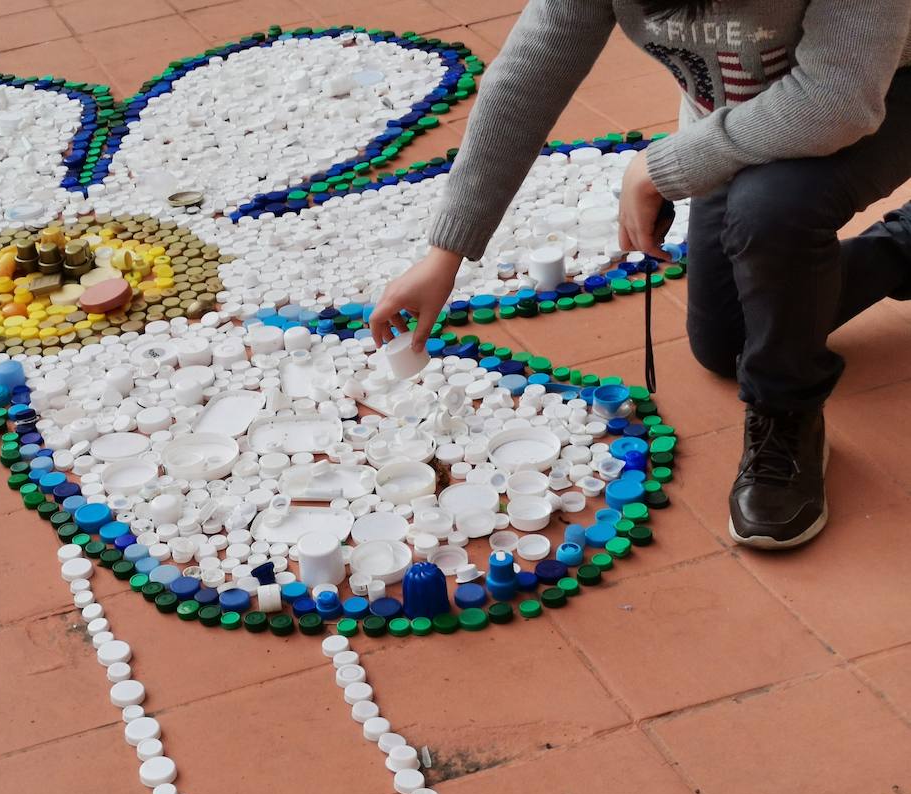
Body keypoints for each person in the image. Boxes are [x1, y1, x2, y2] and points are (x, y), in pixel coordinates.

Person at [370, 0, 911, 549]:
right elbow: (528, 75)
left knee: (770, 209)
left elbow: (837, 100)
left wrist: (662, 167)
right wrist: (446, 252)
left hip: (881, 88)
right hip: (741, 115)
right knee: (733, 343)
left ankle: (789, 414)